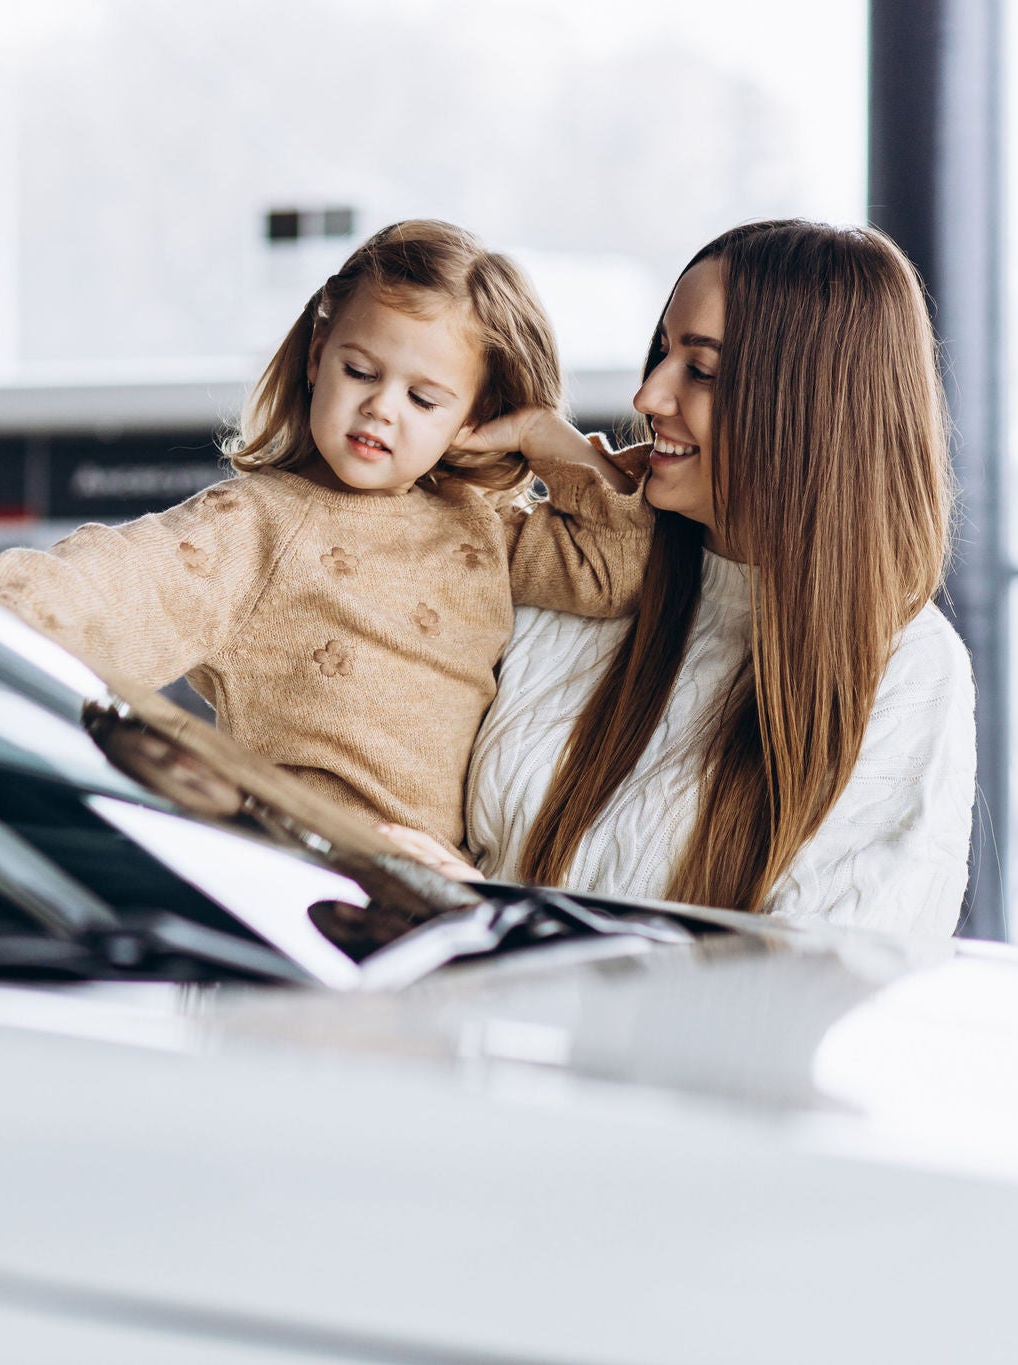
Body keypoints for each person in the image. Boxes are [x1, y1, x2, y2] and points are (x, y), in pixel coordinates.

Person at [0, 219, 650, 854]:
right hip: (301, 882)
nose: (381, 407)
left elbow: (618, 569)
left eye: (424, 398)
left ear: (474, 412)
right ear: (317, 355)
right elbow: (108, 590)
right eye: (360, 371)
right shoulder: (254, 525)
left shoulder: (486, 528)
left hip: (436, 901)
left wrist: (541, 432)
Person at [394, 219, 976, 936]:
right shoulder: (584, 576)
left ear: (811, 409)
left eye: (700, 371)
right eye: (662, 353)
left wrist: (496, 923)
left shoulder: (907, 668)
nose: (648, 397)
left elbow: (826, 982)